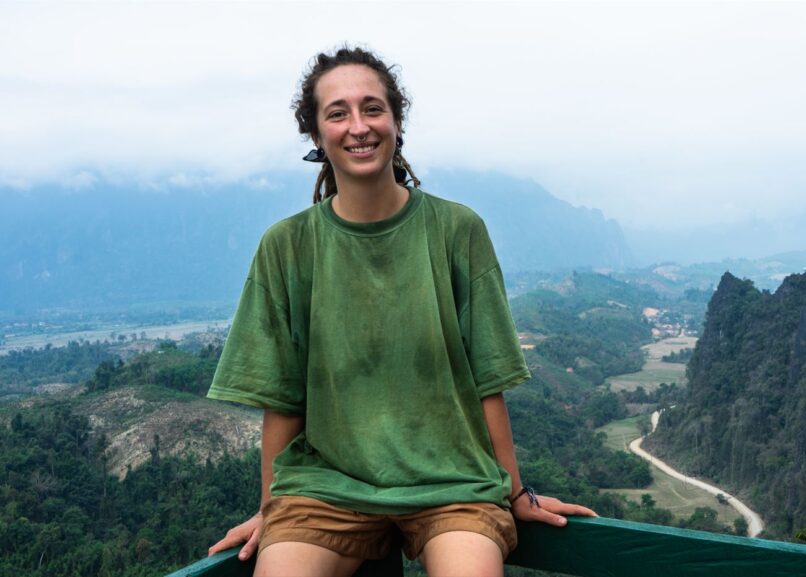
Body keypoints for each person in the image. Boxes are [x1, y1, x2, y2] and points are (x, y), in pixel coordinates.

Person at [205, 46, 597, 577]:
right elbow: (281, 395)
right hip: (326, 488)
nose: (359, 126)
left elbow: (489, 378)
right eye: (337, 113)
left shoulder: (457, 231)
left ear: (396, 120)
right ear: (317, 136)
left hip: (453, 484)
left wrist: (513, 488)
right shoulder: (288, 246)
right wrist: (273, 509)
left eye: (373, 108)